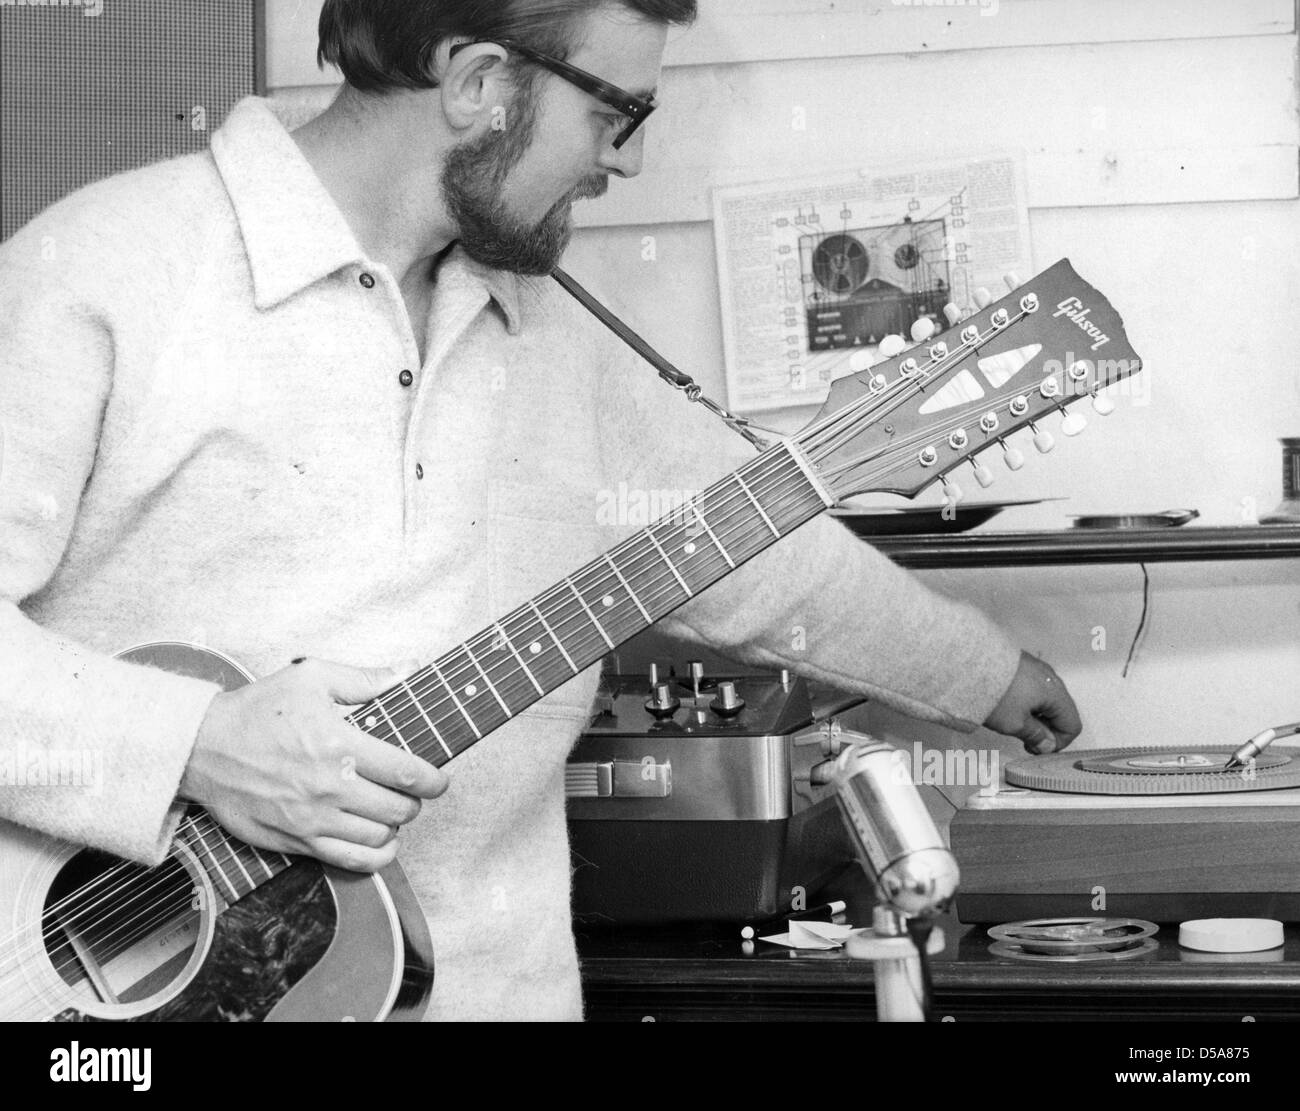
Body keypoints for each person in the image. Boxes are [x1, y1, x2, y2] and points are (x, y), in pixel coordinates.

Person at [0, 0, 1080, 1020]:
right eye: (617, 113)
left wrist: (986, 672)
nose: (628, 158)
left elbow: (760, 558)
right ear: (477, 81)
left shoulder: (555, 339)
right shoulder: (100, 270)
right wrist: (196, 744)